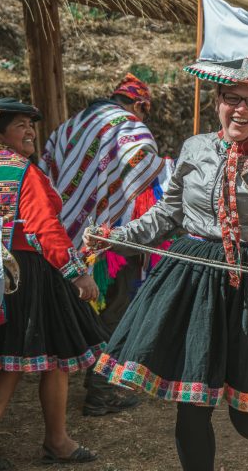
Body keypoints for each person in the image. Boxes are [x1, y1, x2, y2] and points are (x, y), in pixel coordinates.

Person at [90, 57, 248, 471]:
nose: (240, 109)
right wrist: (115, 238)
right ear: (217, 101)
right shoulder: (194, 148)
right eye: (231, 99)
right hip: (194, 283)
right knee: (192, 404)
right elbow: (165, 216)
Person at [0, 98, 108, 469]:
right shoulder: (20, 171)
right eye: (20, 126)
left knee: (9, 362)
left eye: (32, 125)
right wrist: (77, 272)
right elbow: (46, 229)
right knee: (56, 357)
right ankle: (55, 441)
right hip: (27, 274)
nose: (30, 132)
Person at [40, 73, 171, 416]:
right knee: (115, 310)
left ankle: (81, 377)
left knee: (82, 309)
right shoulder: (129, 126)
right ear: (140, 104)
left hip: (62, 235)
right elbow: (146, 167)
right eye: (146, 110)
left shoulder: (68, 126)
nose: (144, 117)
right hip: (109, 236)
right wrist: (170, 168)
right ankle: (101, 390)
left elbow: (48, 170)